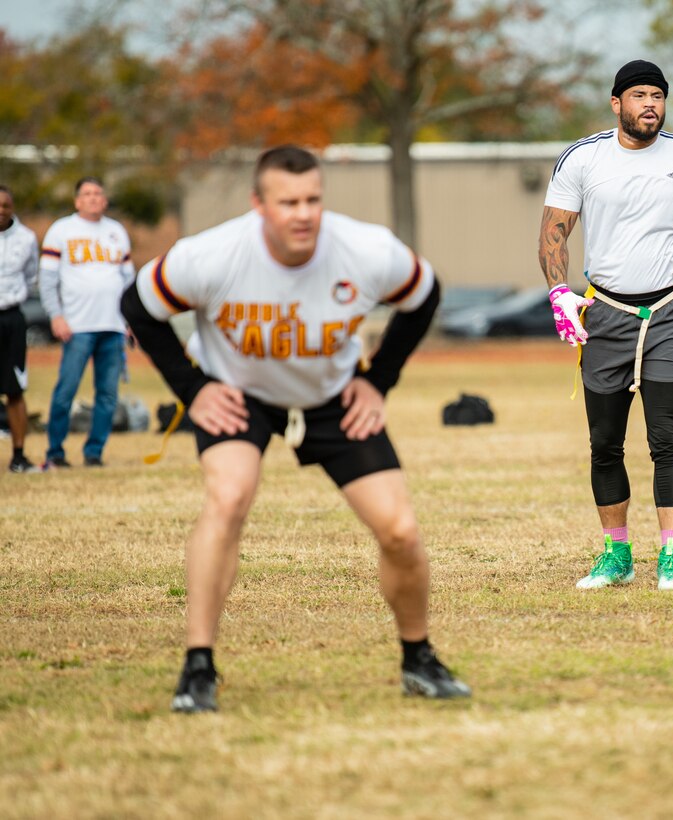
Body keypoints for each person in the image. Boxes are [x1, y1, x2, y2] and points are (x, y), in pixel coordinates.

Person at [121, 144, 470, 713]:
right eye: (288, 202)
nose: (303, 213)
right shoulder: (210, 256)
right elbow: (136, 306)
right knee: (228, 497)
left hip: (330, 396)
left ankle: (419, 660)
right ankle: (198, 667)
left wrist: (378, 382)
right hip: (240, 395)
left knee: (401, 530)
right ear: (260, 204)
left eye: (312, 199)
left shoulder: (365, 249)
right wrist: (195, 389)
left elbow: (425, 295)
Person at [538, 60, 673, 592]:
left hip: (669, 313)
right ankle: (617, 554)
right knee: (604, 443)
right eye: (638, 95)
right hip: (604, 313)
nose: (650, 104)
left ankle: (671, 558)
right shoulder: (583, 159)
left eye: (658, 94)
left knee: (666, 440)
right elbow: (554, 232)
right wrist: (559, 293)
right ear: (617, 104)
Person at [39, 177, 135, 468]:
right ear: (77, 200)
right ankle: (55, 451)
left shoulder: (116, 231)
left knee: (107, 393)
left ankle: (94, 452)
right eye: (87, 194)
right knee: (66, 390)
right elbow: (47, 279)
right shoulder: (62, 230)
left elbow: (128, 280)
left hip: (113, 326)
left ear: (105, 200)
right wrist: (56, 315)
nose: (94, 198)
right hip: (77, 326)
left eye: (98, 193)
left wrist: (131, 320)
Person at [0, 185, 42, 473]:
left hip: (11, 319)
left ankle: (18, 455)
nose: (1, 210)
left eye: (6, 205)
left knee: (15, 389)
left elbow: (31, 276)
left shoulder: (26, 239)